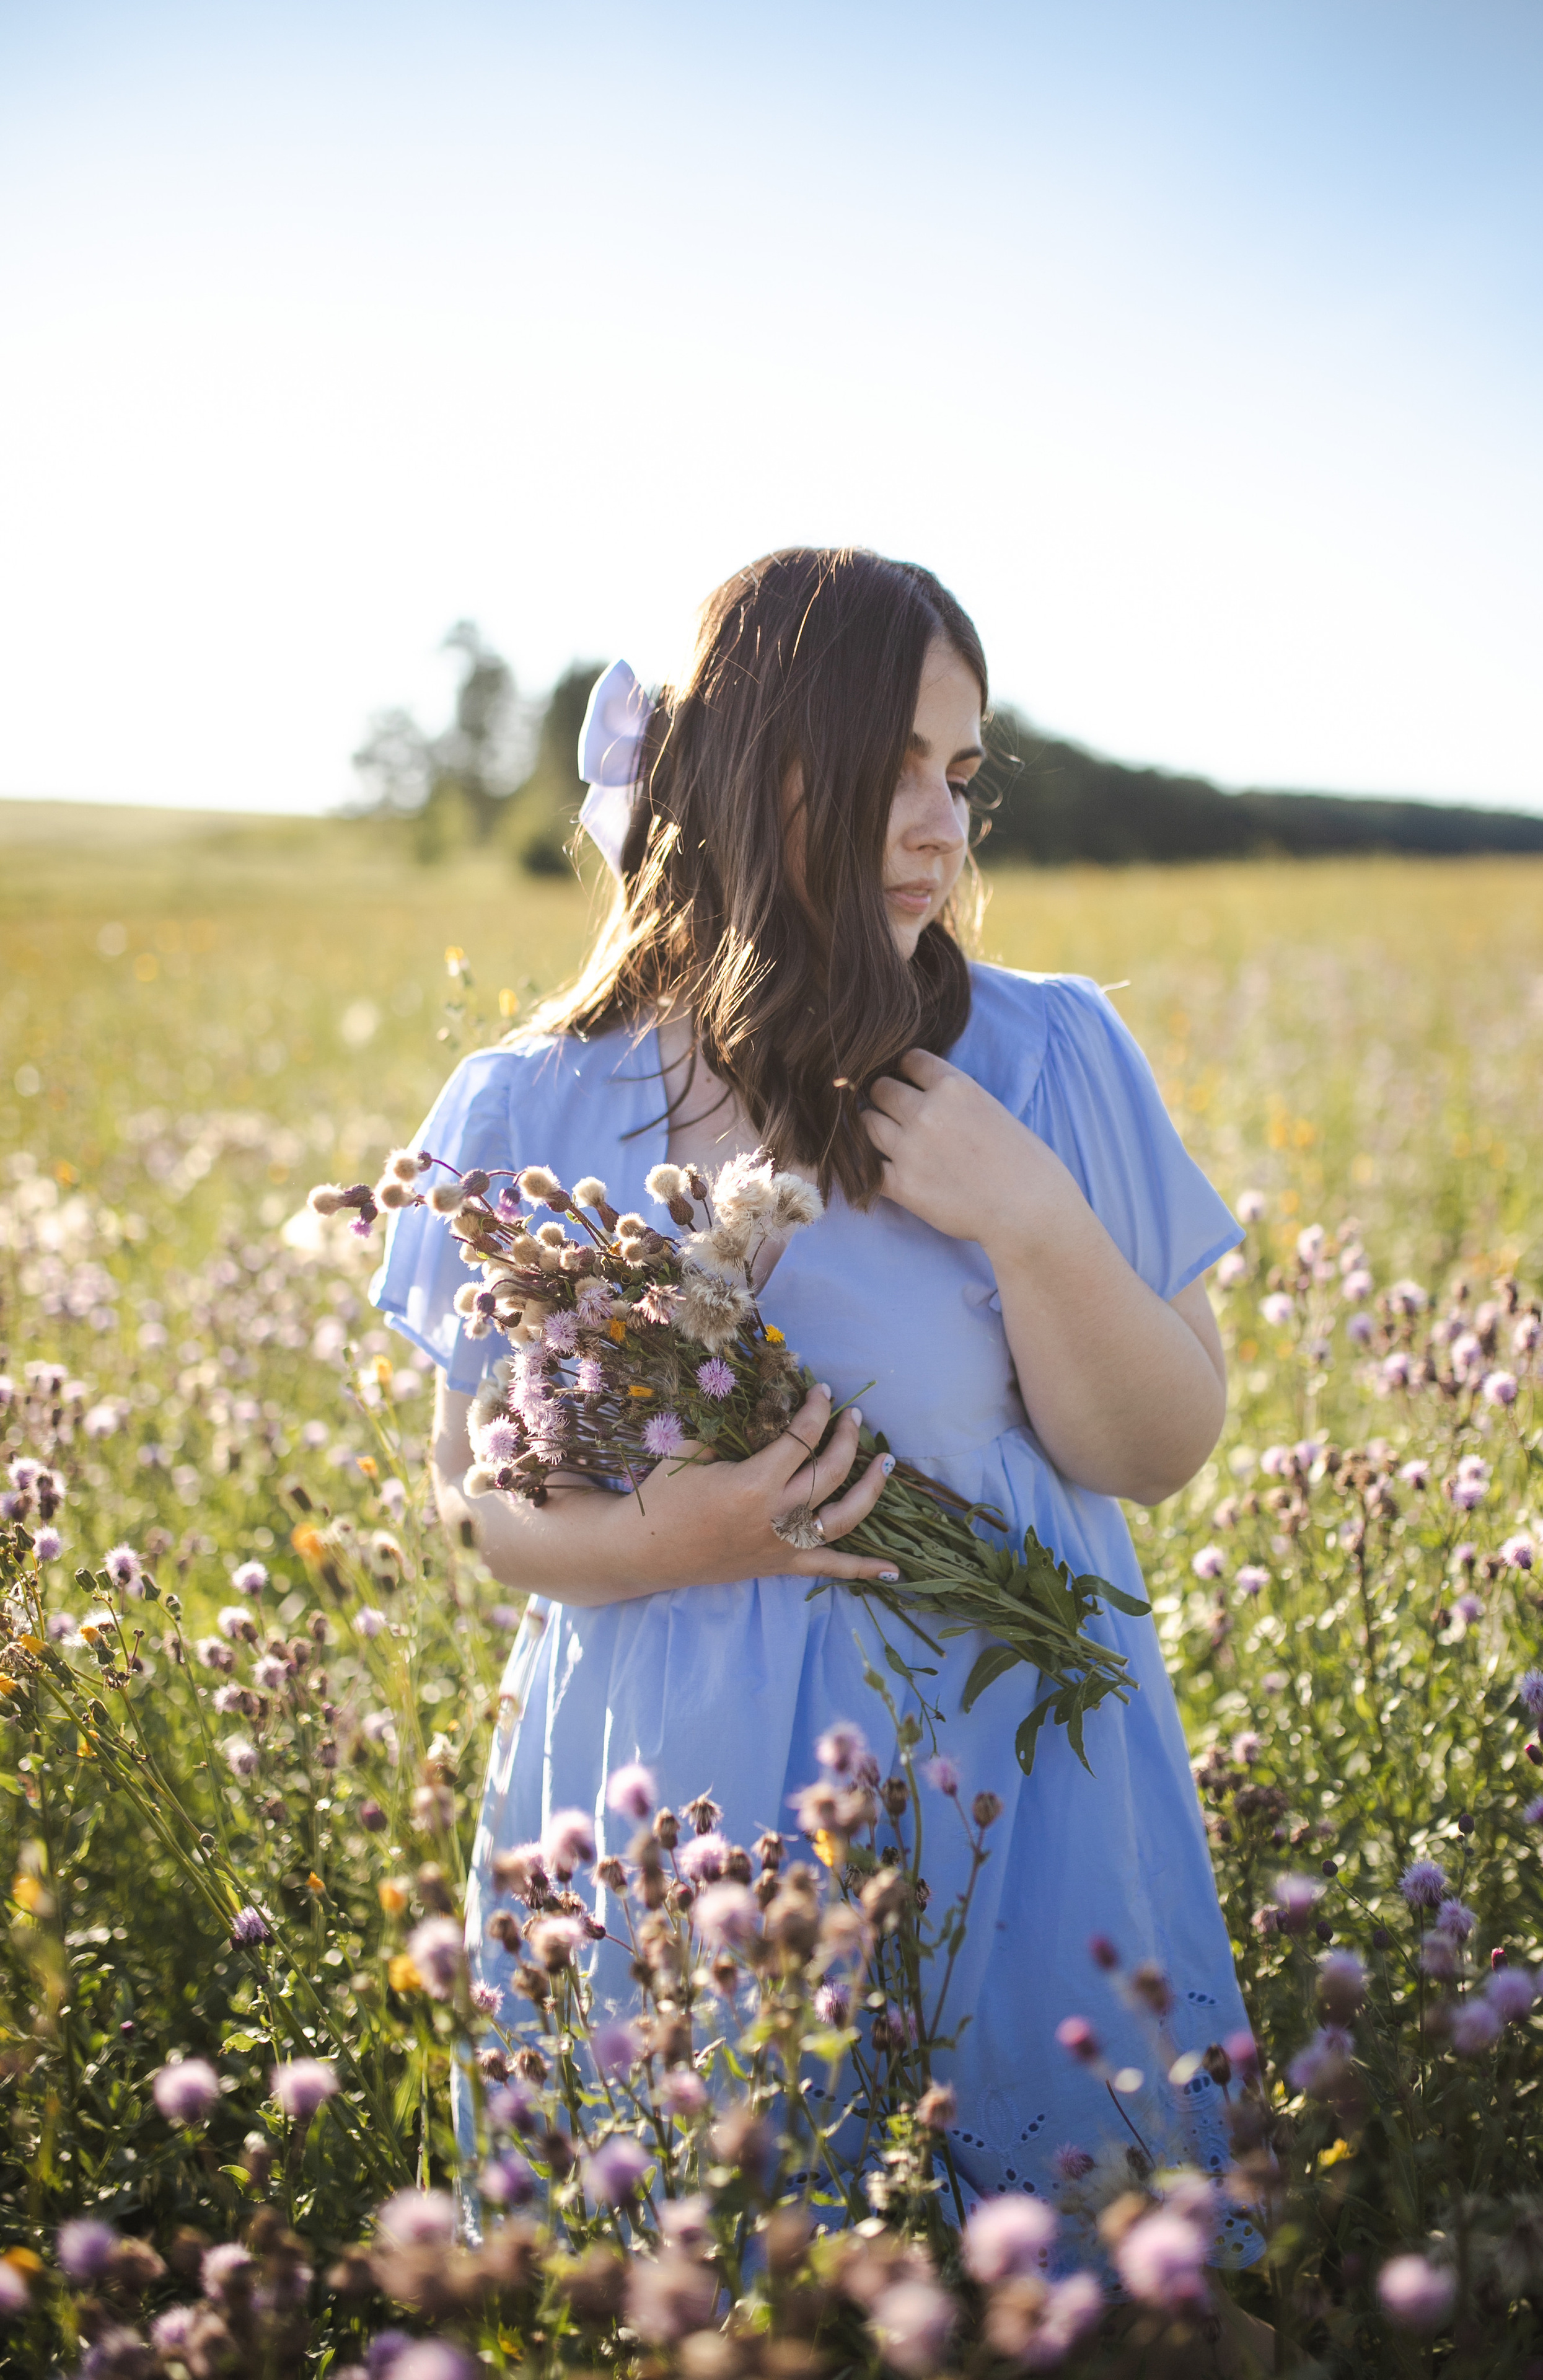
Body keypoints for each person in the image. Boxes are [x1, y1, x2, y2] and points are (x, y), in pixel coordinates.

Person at [372, 546, 1261, 2272]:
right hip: (670, 1821)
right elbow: (473, 1498)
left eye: (965, 772)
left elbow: (1156, 1446)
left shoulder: (1048, 1060)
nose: (945, 827)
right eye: (893, 772)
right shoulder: (535, 1109)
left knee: (1049, 2266)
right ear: (761, 779)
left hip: (1016, 1793)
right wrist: (671, 1537)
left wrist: (1032, 1216)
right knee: (719, 2274)